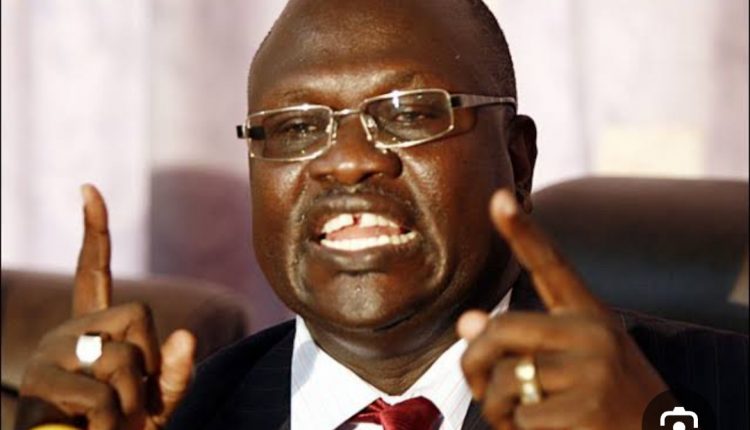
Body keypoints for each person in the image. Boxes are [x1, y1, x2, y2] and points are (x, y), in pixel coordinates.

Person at [16, 1, 748, 429]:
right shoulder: (175, 417)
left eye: (409, 114)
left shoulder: (707, 392)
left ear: (517, 160)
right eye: (296, 127)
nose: (346, 161)